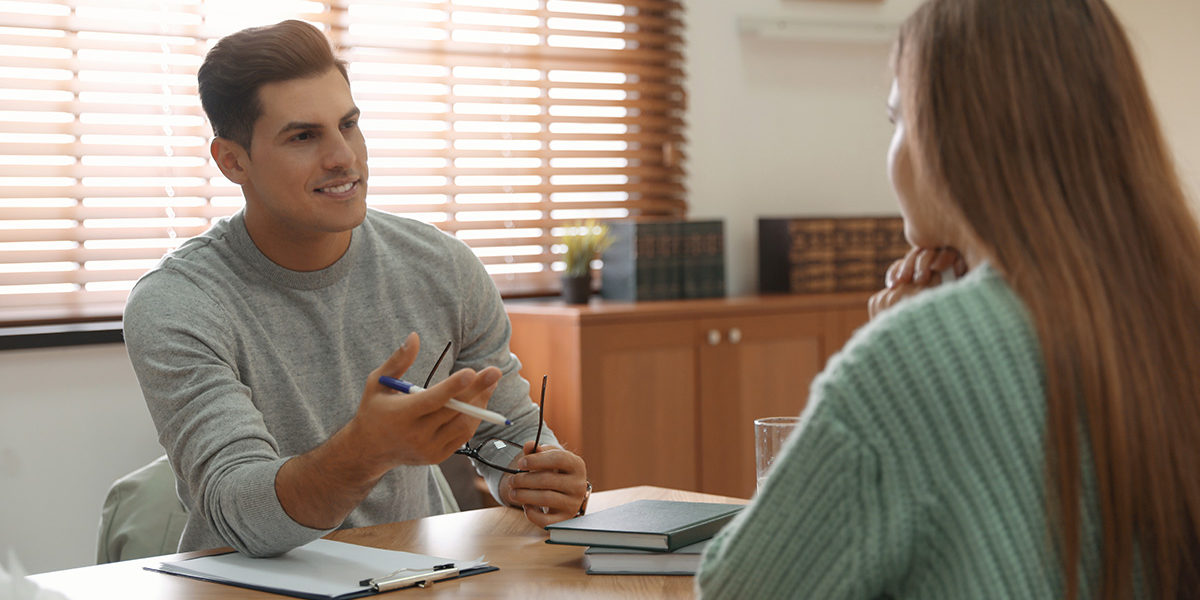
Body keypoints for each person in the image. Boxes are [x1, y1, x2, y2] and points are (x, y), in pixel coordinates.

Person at [696, 0, 1200, 598]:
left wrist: (906, 346)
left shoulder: (913, 358)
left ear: (947, 137)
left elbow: (739, 590)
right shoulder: (1175, 311)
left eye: (895, 121)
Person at [123, 20, 588, 557]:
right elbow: (241, 512)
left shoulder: (441, 266)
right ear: (232, 160)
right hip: (252, 586)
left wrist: (534, 474)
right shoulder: (177, 302)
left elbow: (504, 430)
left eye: (348, 124)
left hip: (420, 576)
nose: (343, 156)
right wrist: (365, 450)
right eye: (303, 136)